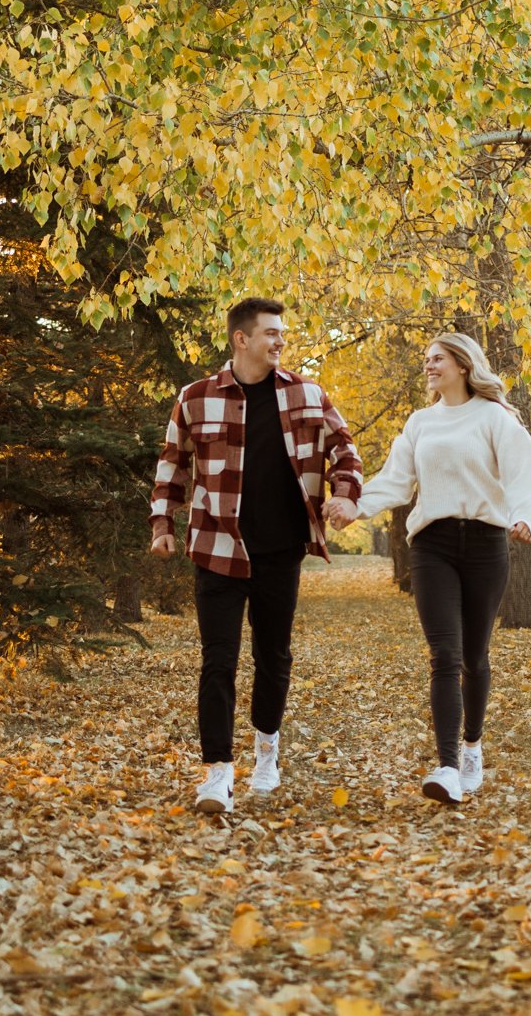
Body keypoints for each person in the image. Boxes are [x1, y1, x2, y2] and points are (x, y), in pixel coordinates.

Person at [150, 297, 364, 814]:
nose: (280, 341)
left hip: (281, 548)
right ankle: (218, 773)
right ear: (241, 339)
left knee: (274, 656)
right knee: (217, 661)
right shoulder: (196, 397)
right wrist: (162, 523)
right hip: (218, 547)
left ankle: (266, 748)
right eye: (270, 332)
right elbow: (173, 464)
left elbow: (345, 449)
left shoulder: (307, 394)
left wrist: (346, 494)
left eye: (282, 333)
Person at [349, 333, 531, 805]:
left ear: (461, 364)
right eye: (425, 360)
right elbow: (395, 481)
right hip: (432, 545)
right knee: (445, 656)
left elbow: (525, 470)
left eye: (436, 359)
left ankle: (473, 746)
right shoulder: (420, 423)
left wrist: (523, 514)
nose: (428, 366)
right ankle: (448, 766)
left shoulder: (494, 417)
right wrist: (352, 507)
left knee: (475, 658)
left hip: (484, 544)